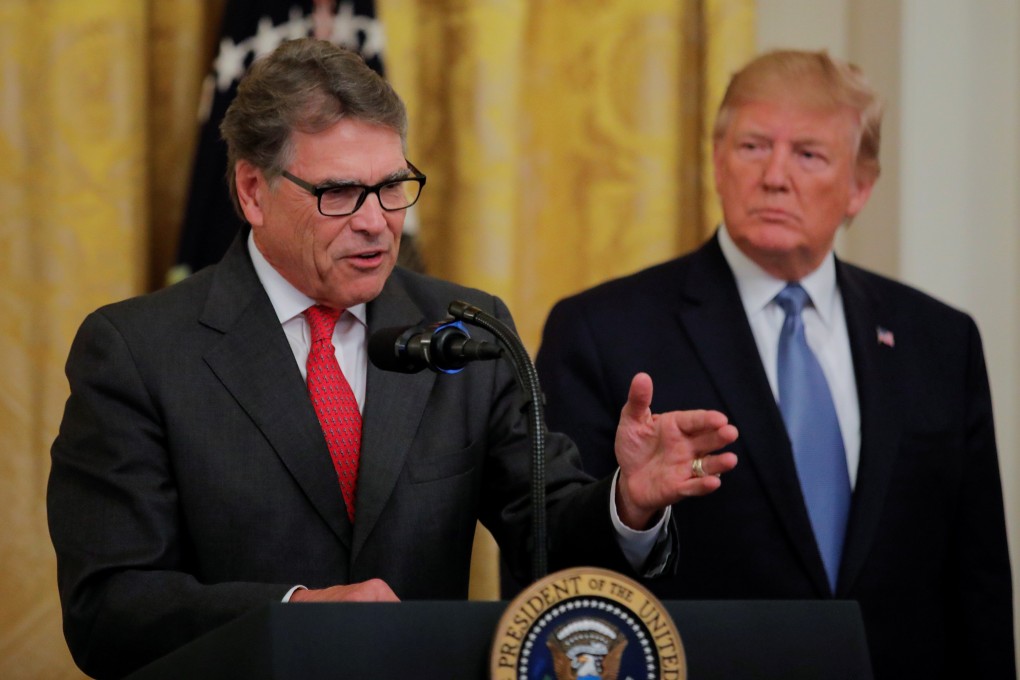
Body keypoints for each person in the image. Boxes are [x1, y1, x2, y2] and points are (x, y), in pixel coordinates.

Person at [46, 38, 739, 679]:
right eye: (340, 193)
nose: (377, 220)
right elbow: (109, 607)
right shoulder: (138, 351)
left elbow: (543, 539)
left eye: (392, 185)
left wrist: (628, 502)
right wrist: (291, 614)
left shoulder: (468, 327)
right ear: (253, 191)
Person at [534, 49, 1014, 680]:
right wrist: (630, 507)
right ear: (717, 160)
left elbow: (977, 580)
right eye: (754, 146)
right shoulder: (602, 330)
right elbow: (549, 563)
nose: (775, 176)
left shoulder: (940, 342)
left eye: (809, 154)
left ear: (860, 187)